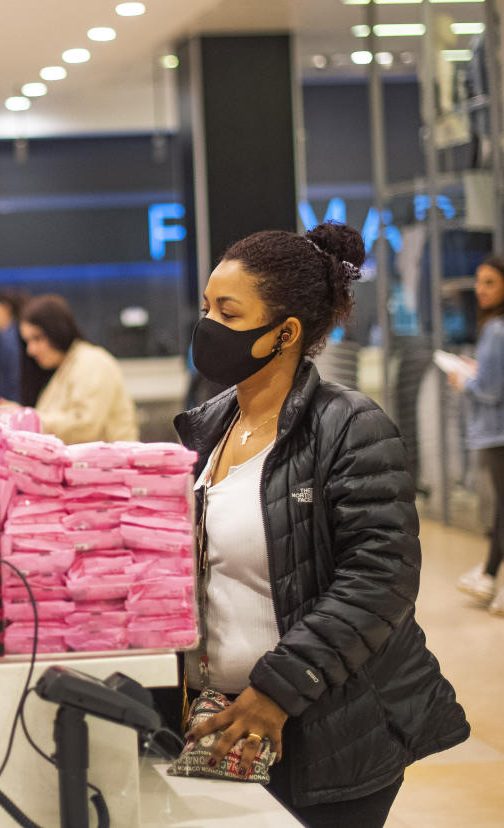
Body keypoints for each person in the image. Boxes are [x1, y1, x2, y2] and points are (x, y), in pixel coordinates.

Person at [175, 222, 468, 827]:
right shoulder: (208, 430)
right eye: (206, 308)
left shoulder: (350, 427)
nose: (207, 327)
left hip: (327, 731)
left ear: (285, 333)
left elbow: (378, 581)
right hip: (223, 725)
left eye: (228, 313)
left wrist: (276, 693)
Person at [451, 254, 504, 616]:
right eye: (479, 282)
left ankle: (488, 576)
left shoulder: (497, 329)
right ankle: (488, 575)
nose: (481, 290)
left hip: (498, 432)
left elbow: (490, 389)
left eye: (490, 283)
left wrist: (464, 380)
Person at [18, 294, 138, 444]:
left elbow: (85, 426)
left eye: (37, 338)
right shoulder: (66, 368)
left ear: (56, 330)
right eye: (28, 341)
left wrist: (28, 419)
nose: (31, 350)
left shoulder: (91, 361)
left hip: (108, 465)